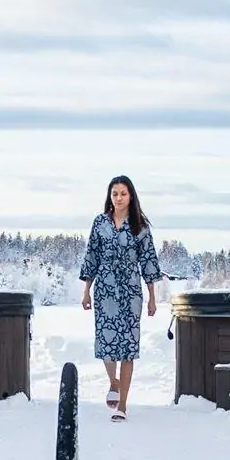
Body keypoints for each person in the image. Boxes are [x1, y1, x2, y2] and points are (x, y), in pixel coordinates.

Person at [79, 175, 163, 419]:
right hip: (104, 289)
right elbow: (91, 256)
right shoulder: (100, 223)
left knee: (127, 347)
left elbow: (149, 261)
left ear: (131, 196)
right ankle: (113, 383)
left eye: (123, 193)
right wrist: (86, 290)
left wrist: (152, 297)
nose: (118, 198)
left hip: (130, 290)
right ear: (110, 196)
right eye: (114, 193)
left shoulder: (140, 226)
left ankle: (123, 405)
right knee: (106, 346)